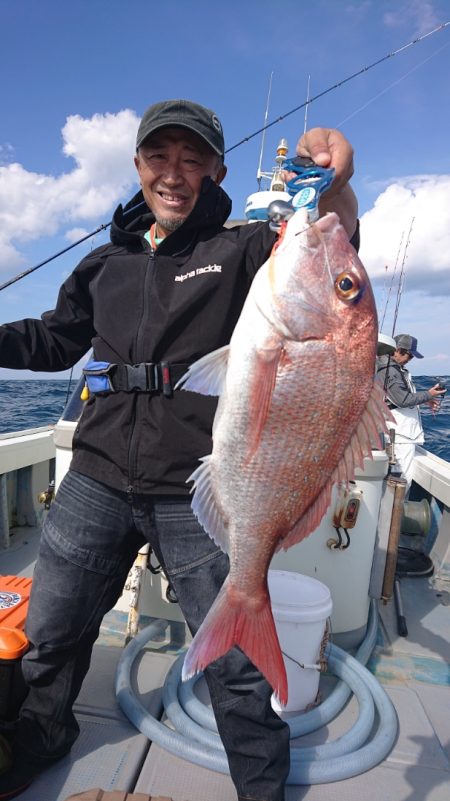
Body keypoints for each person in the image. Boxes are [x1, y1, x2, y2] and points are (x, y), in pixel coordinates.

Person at [0, 99, 358, 801]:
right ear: (138, 167)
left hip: (195, 488)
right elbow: (55, 338)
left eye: (192, 159)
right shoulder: (105, 262)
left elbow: (331, 254)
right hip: (97, 476)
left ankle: (261, 783)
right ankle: (43, 734)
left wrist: (337, 179)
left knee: (236, 662)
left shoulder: (246, 249)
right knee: (53, 632)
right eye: (159, 157)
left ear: (216, 170)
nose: (174, 173)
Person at [376, 333, 445, 492]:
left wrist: (425, 399)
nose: (410, 359)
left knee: (398, 482)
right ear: (398, 350)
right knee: (401, 482)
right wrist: (429, 394)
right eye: (410, 355)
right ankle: (390, 516)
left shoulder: (394, 369)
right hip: (399, 437)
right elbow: (402, 400)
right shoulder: (390, 371)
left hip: (399, 436)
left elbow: (398, 398)